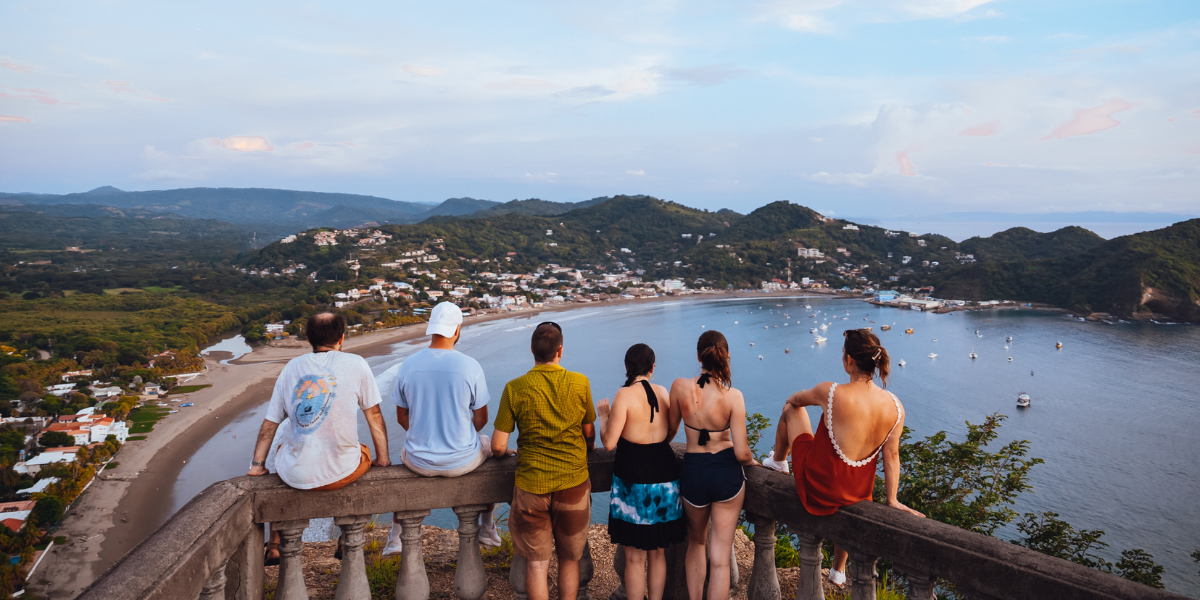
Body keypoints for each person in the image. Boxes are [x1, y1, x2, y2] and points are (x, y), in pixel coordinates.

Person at [761, 328, 924, 588]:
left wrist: (806, 403)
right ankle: (838, 570)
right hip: (857, 491)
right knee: (849, 479)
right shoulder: (896, 407)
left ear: (849, 359)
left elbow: (795, 400)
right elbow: (892, 455)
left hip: (820, 486)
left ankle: (779, 461)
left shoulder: (831, 392)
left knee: (791, 410)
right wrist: (892, 499)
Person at [248, 312, 390, 565]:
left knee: (282, 448)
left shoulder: (291, 367)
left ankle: (275, 544)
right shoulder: (356, 364)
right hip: (339, 474)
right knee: (362, 452)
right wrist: (383, 459)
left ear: (308, 339)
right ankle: (346, 537)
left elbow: (271, 422)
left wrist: (257, 466)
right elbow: (374, 415)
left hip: (296, 475)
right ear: (341, 338)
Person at [380, 302, 500, 557]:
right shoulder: (470, 365)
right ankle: (487, 527)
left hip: (419, 461)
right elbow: (481, 418)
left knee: (405, 448)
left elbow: (401, 417)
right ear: (457, 329)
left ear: (432, 328)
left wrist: (423, 431)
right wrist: (460, 433)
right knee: (488, 444)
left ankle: (395, 535)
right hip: (462, 460)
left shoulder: (408, 365)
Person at [491, 322, 596, 600]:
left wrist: (506, 453)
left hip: (532, 486)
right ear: (560, 350)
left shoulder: (514, 388)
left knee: (537, 565)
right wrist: (588, 446)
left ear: (532, 350)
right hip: (573, 483)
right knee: (570, 559)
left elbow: (498, 446)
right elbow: (589, 433)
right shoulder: (580, 382)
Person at [669, 330, 757, 600]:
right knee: (720, 558)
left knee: (696, 542)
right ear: (726, 356)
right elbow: (742, 453)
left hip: (694, 471)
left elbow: (670, 432)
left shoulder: (680, 387)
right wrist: (754, 462)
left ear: (699, 357)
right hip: (725, 474)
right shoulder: (733, 396)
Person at [597, 343, 684, 600]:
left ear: (626, 367)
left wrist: (603, 416)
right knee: (658, 552)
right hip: (665, 472)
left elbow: (609, 442)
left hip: (633, 475)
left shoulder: (623, 395)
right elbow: (671, 431)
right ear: (652, 368)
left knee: (635, 556)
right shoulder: (663, 392)